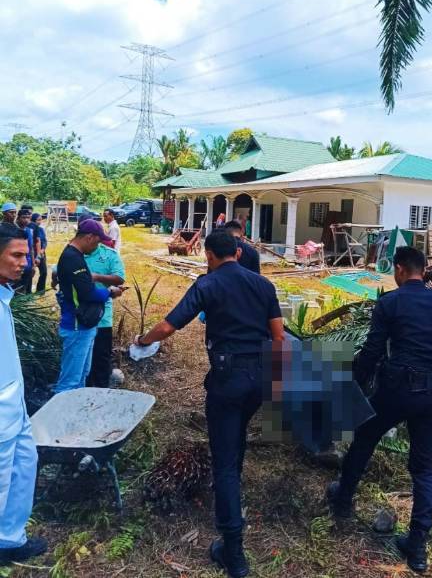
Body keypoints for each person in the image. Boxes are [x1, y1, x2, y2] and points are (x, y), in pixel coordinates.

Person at [134, 230, 283, 578]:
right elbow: (278, 336)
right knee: (238, 435)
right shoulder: (264, 285)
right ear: (238, 252)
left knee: (224, 460)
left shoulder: (208, 284)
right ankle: (232, 491)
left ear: (209, 255)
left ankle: (233, 552)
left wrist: (142, 340)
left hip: (227, 379)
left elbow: (168, 327)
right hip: (259, 376)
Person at [327, 246, 432, 573]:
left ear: (398, 269)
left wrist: (353, 383)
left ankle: (343, 500)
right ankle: (417, 547)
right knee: (423, 467)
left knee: (365, 438)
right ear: (423, 270)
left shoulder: (390, 303)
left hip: (395, 390)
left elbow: (372, 350)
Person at [0, 223, 47, 565]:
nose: (25, 263)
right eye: (16, 255)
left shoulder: (4, 295)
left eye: (26, 255)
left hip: (15, 406)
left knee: (23, 468)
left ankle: (10, 539)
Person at [53, 220, 125, 394]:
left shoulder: (75, 255)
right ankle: (62, 408)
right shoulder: (72, 258)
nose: (97, 246)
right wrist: (110, 292)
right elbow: (88, 293)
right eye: (97, 242)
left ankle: (76, 406)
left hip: (83, 326)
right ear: (89, 237)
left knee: (81, 375)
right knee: (70, 381)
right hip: (76, 325)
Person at [83, 241, 126, 388]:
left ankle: (101, 391)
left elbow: (119, 277)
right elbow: (57, 271)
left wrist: (97, 277)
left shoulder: (108, 254)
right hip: (79, 317)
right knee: (84, 361)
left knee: (101, 358)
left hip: (102, 317)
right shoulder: (74, 253)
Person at [13, 209, 39, 295]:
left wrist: (33, 265)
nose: (26, 220)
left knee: (24, 286)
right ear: (18, 218)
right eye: (24, 217)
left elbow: (31, 248)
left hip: (27, 262)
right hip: (15, 263)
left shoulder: (29, 231)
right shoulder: (13, 230)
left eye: (28, 218)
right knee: (15, 287)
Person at [30, 214, 47, 293]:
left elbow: (44, 241)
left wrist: (42, 250)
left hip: (41, 254)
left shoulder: (41, 229)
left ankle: (40, 290)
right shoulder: (29, 229)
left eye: (41, 220)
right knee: (30, 273)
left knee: (44, 272)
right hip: (32, 254)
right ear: (33, 220)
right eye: (38, 220)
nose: (40, 222)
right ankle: (28, 291)